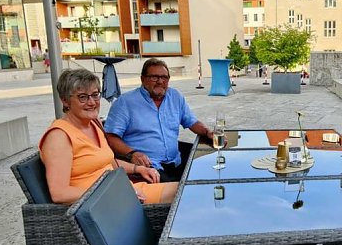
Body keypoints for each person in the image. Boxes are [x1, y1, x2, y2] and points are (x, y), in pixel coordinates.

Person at [39, 68, 176, 205]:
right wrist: (115, 195)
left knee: (189, 189)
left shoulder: (93, 124)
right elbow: (59, 194)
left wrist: (139, 169)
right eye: (82, 97)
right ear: (65, 101)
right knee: (186, 194)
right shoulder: (59, 137)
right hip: (104, 206)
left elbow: (107, 161)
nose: (92, 102)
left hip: (125, 193)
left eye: (95, 95)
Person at [104, 58, 212, 182]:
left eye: (164, 77)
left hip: (176, 162)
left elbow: (192, 122)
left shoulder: (175, 96)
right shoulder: (125, 102)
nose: (160, 81)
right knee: (182, 193)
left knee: (208, 173)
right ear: (143, 79)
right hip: (147, 168)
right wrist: (132, 153)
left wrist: (207, 132)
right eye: (154, 77)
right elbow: (110, 137)